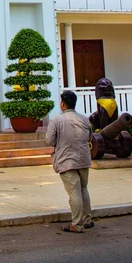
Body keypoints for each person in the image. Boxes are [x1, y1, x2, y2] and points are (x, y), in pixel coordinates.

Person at [46, 90, 93, 233]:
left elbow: (49, 140)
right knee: (83, 189)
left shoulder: (56, 120)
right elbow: (90, 138)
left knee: (74, 192)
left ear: (63, 104)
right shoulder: (85, 119)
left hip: (66, 160)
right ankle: (87, 219)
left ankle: (77, 224)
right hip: (83, 159)